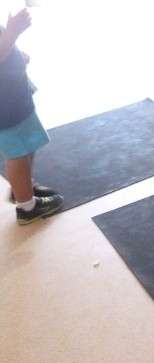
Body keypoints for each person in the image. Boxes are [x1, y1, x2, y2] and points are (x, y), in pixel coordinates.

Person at [1, 9, 63, 225]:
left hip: (12, 92)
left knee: (27, 141)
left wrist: (14, 51)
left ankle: (23, 186)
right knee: (17, 150)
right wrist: (12, 33)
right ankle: (27, 207)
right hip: (4, 103)